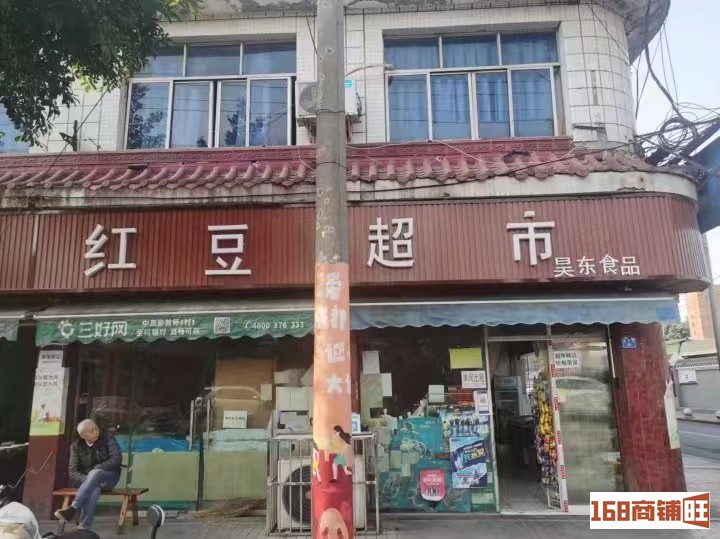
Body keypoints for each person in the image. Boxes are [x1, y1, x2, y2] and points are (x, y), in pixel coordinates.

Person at [54, 420, 122, 530]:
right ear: (83, 436)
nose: (96, 432)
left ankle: (73, 508)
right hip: (88, 482)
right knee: (93, 488)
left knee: (96, 473)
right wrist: (90, 479)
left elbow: (116, 459)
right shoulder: (76, 446)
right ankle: (84, 528)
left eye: (96, 428)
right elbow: (73, 472)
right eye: (91, 431)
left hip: (110, 477)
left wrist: (95, 471)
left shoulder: (108, 439)